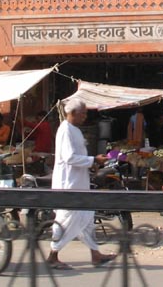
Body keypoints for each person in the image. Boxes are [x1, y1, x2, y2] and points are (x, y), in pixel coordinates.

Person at [47, 97, 116, 270]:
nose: (85, 117)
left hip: (79, 182)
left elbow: (79, 157)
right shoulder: (65, 130)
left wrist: (92, 164)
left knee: (87, 218)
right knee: (66, 220)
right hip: (68, 184)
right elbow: (69, 157)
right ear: (72, 113)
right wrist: (93, 160)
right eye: (83, 114)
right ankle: (53, 255)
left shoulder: (75, 130)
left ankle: (95, 254)